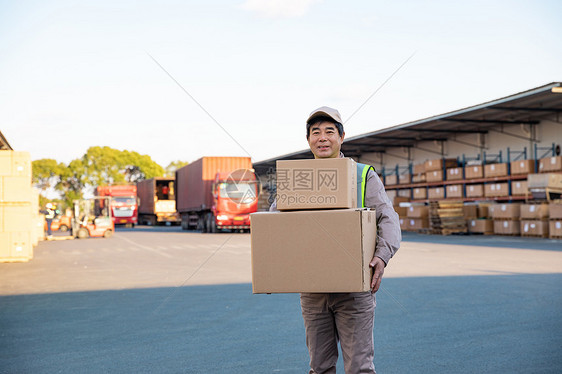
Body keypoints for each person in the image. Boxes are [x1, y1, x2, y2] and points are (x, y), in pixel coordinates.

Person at [271, 106, 401, 374]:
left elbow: (387, 217)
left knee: (359, 367)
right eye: (315, 132)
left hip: (354, 288)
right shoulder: (299, 179)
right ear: (308, 140)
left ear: (342, 137)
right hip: (313, 289)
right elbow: (274, 223)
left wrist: (382, 256)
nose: (322, 137)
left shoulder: (363, 175)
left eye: (330, 131)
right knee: (319, 367)